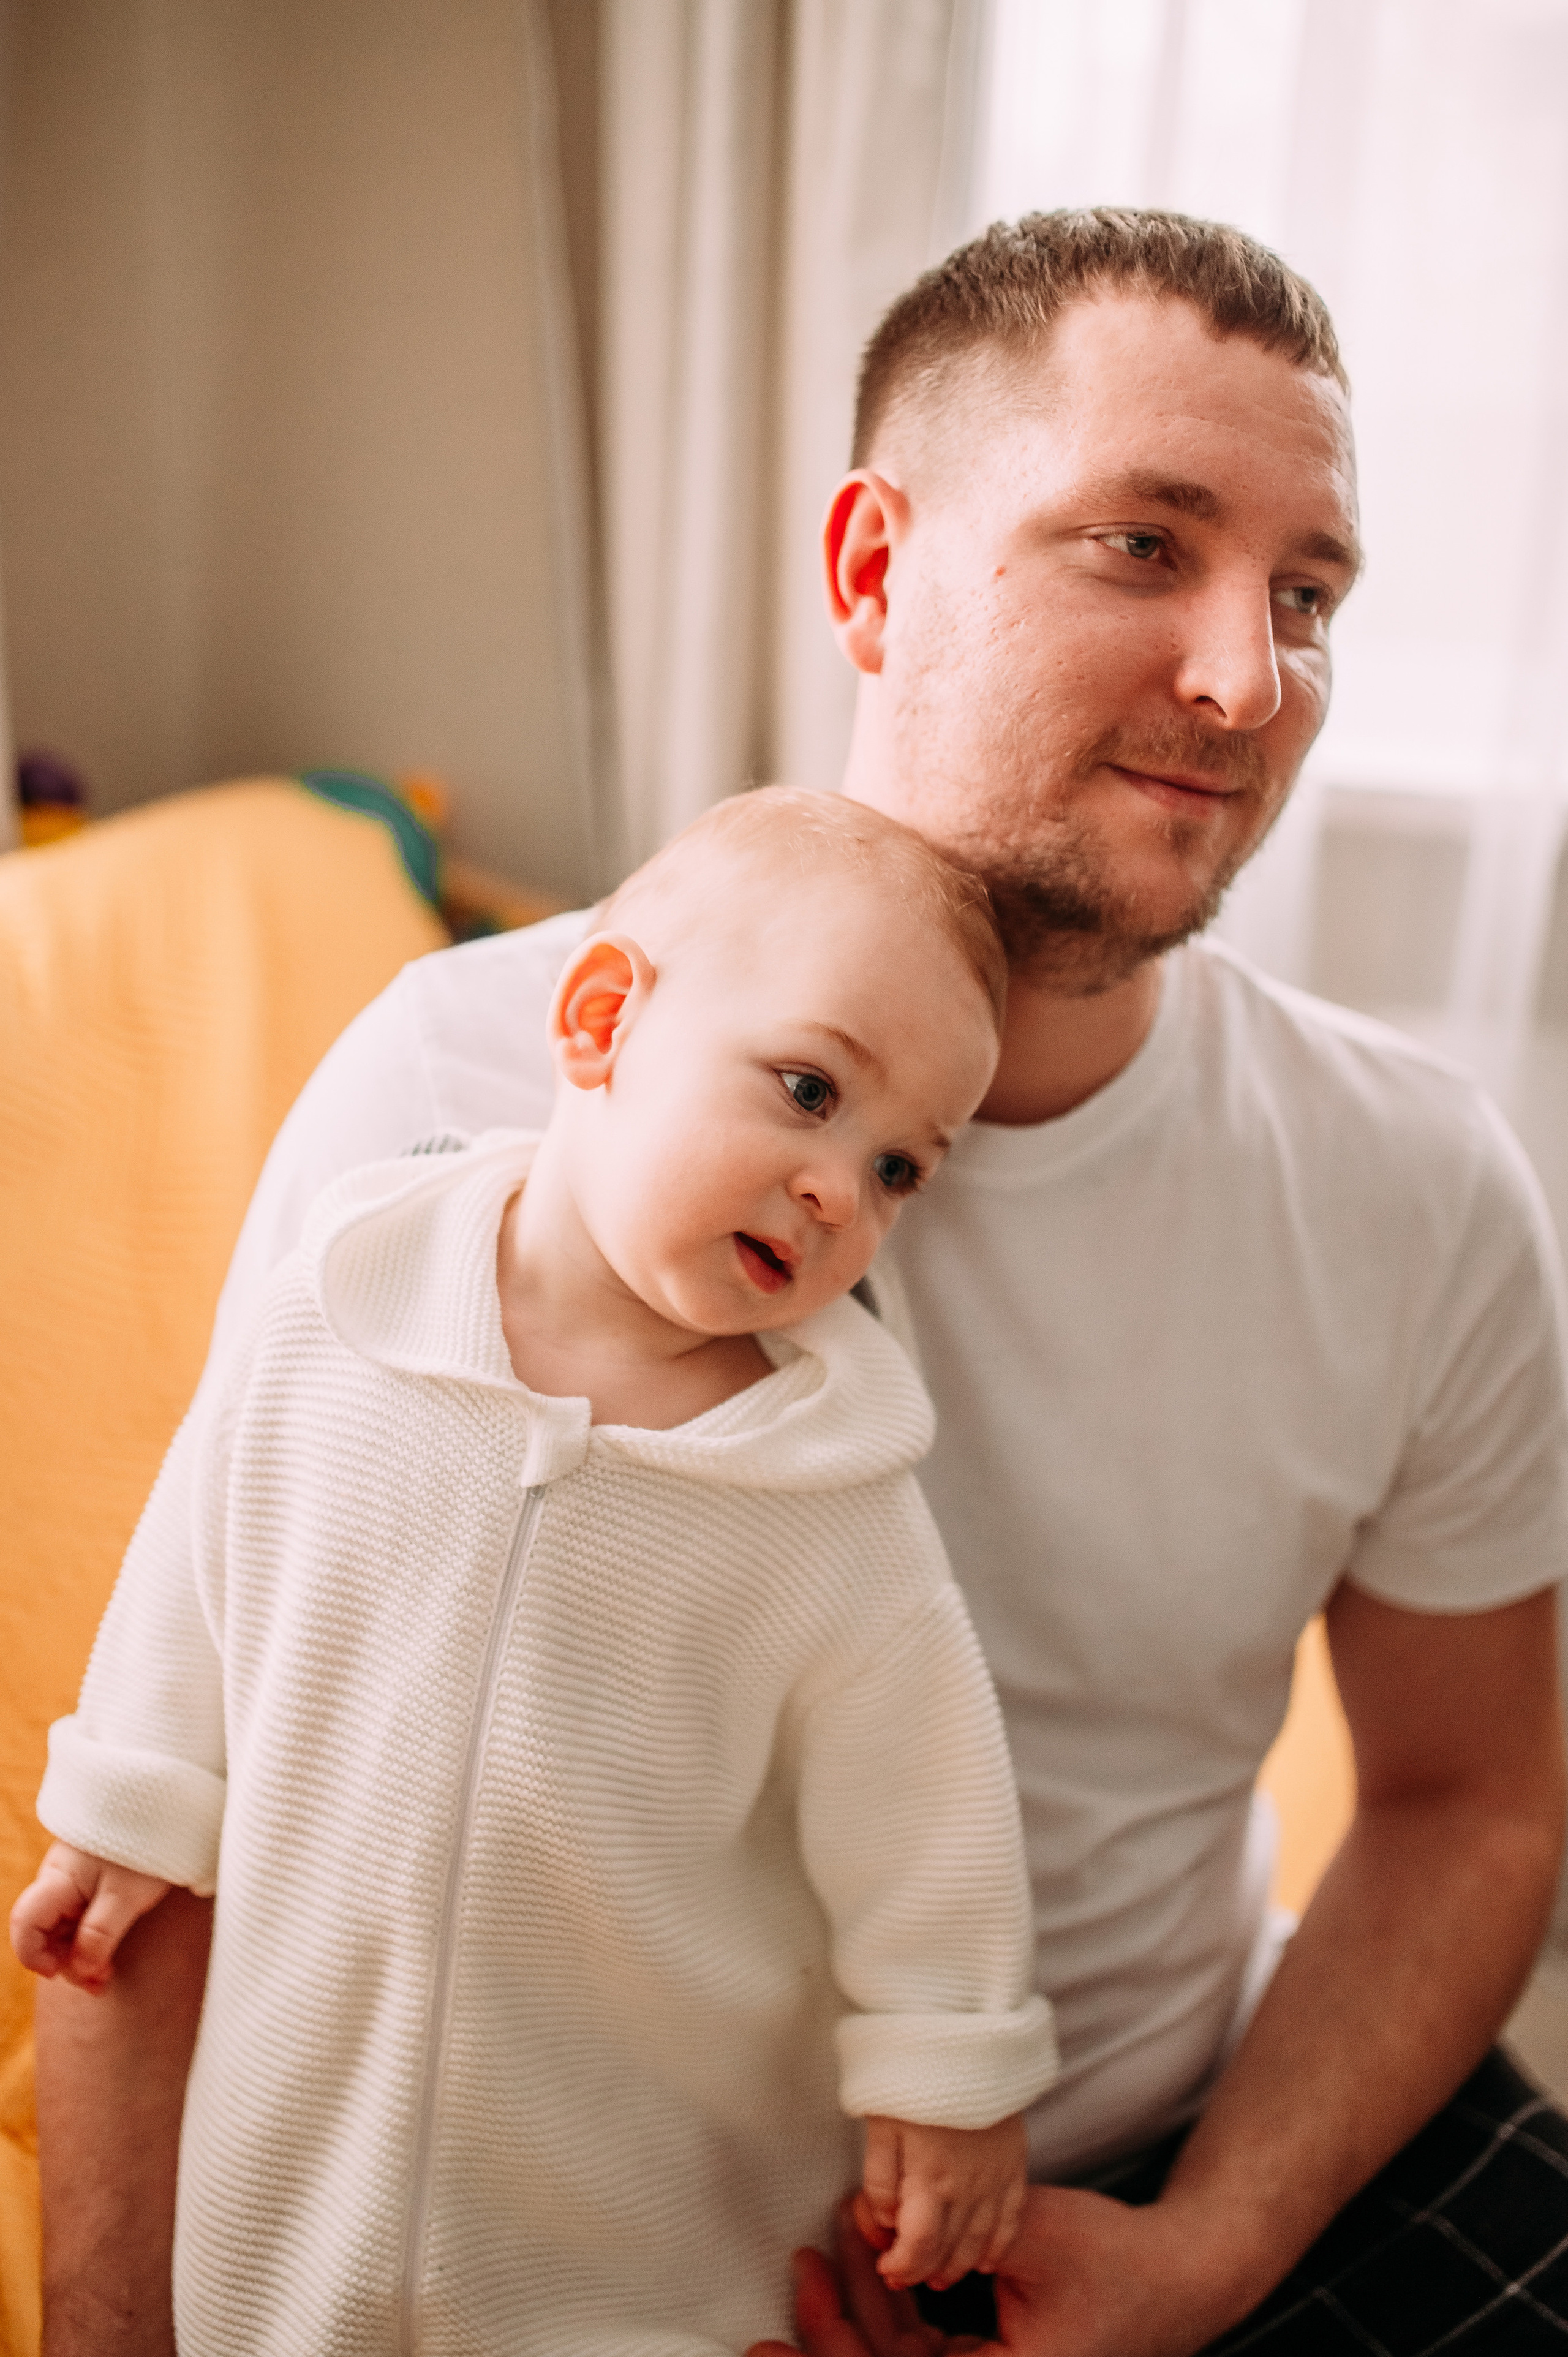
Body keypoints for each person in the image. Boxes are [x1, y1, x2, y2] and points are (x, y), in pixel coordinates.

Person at [36, 209, 1568, 2357]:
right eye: (1144, 544)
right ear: (871, 569)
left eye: (1308, 596)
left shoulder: (1418, 1184)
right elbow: (180, 1791)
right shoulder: (471, 1083)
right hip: (624, 2277)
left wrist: (1206, 2251)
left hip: (1193, 2162)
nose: (1249, 679)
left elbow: (1470, 1798)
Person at [15, 789, 1061, 2355]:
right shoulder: (340, 1309)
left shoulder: (825, 1496)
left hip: (632, 2256)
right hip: (290, 2204)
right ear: (600, 1019)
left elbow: (926, 1810)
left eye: (900, 1167)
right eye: (806, 1090)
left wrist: (950, 2069)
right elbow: (197, 1579)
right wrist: (129, 1811)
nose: (839, 1190)